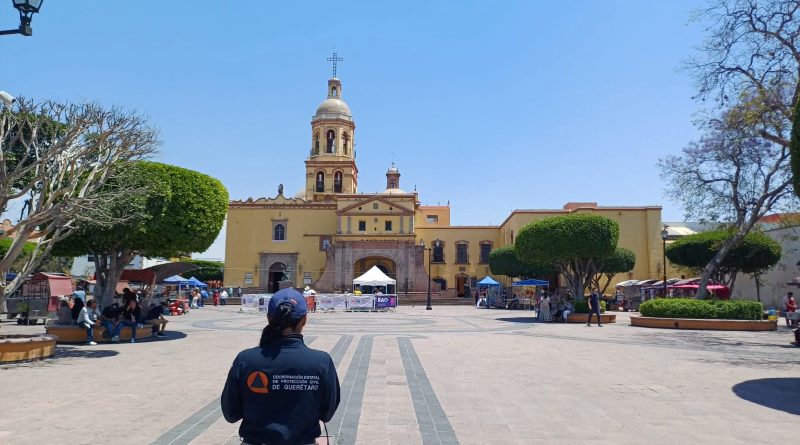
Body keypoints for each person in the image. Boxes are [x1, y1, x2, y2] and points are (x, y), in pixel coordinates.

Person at [221, 288, 340, 445]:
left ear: (269, 318)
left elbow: (231, 413)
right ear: (304, 320)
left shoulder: (246, 360)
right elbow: (327, 413)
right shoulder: (321, 361)